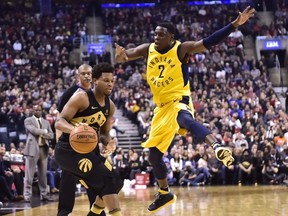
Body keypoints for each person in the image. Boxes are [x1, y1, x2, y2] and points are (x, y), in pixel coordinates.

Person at [115, 6, 255, 212]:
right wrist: (121, 56)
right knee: (153, 155)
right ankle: (164, 193)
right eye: (155, 33)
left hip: (178, 99)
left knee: (184, 119)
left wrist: (234, 25)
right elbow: (126, 56)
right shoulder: (148, 49)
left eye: (161, 34)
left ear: (171, 37)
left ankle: (216, 146)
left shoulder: (181, 49)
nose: (156, 37)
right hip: (161, 108)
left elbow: (208, 42)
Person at [55, 63, 123, 216]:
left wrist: (108, 142)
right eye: (106, 80)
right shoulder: (81, 98)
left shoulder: (109, 106)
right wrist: (76, 130)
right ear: (95, 80)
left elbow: (104, 133)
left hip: (89, 150)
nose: (110, 84)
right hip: (67, 149)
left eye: (112, 81)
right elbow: (59, 121)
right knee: (106, 179)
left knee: (117, 180)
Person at [56, 64, 98, 216]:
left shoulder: (97, 94)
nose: (87, 76)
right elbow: (59, 118)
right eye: (84, 73)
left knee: (94, 177)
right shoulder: (70, 93)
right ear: (78, 76)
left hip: (91, 142)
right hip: (70, 142)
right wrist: (58, 141)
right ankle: (64, 212)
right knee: (67, 178)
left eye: (89, 73)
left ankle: (97, 212)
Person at [23, 104, 54, 202]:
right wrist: (45, 131)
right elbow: (34, 131)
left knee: (43, 174)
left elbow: (52, 135)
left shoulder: (46, 122)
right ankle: (27, 195)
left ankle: (44, 195)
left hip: (43, 149)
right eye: (36, 110)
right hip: (32, 150)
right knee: (29, 174)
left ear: (42, 111)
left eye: (39, 110)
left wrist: (43, 134)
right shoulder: (28, 120)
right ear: (33, 111)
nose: (38, 112)